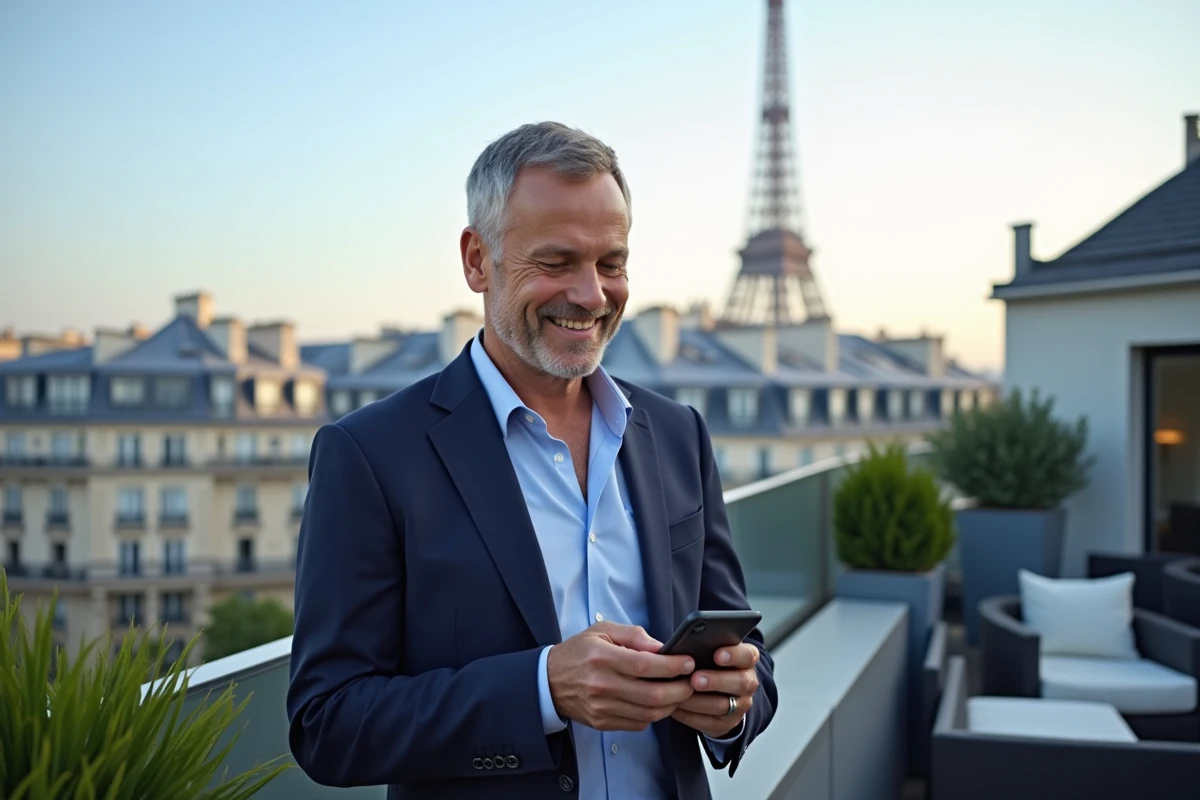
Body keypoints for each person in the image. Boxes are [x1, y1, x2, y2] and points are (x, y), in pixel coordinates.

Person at [286, 121, 777, 799]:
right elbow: (328, 723)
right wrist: (543, 688)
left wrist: (730, 703)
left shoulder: (677, 434)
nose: (591, 295)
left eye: (611, 263)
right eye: (556, 263)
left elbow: (749, 663)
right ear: (476, 260)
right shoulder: (370, 455)